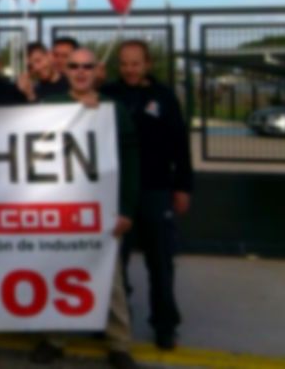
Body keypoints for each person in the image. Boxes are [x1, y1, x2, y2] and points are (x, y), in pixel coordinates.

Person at [31, 48, 140, 369]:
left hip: (101, 207)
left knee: (110, 276)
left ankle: (119, 344)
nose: (80, 72)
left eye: (86, 67)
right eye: (74, 66)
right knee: (57, 273)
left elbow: (131, 163)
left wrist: (126, 209)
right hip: (60, 206)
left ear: (97, 71)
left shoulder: (113, 110)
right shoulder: (50, 106)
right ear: (65, 70)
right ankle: (54, 338)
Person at [101, 40, 193, 351]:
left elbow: (180, 144)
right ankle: (116, 323)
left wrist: (183, 186)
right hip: (118, 193)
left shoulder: (164, 97)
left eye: (135, 63)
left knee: (161, 263)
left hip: (156, 190)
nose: (129, 69)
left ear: (148, 64)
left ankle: (165, 325)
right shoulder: (108, 94)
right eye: (124, 63)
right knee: (115, 264)